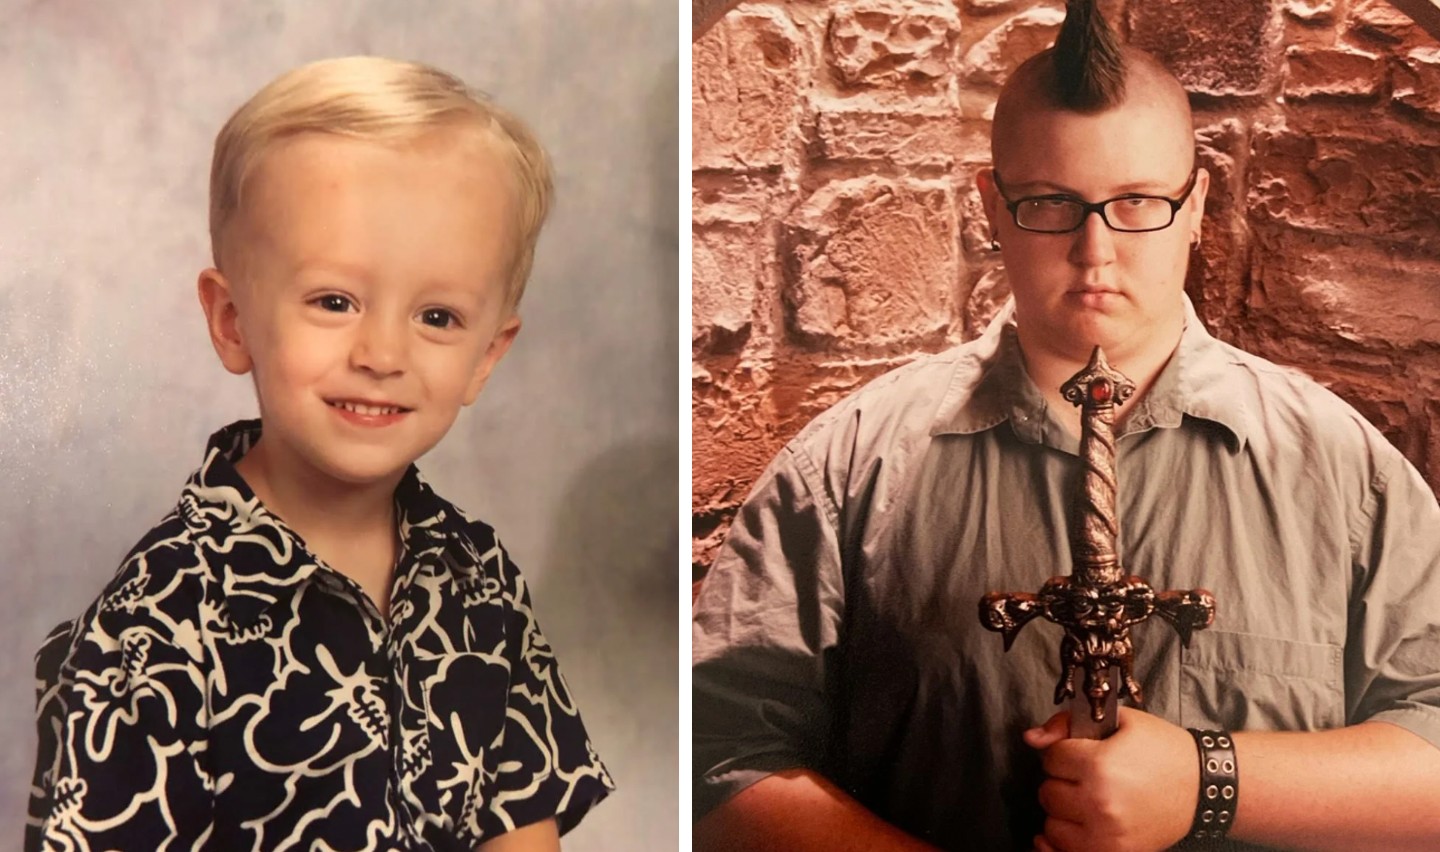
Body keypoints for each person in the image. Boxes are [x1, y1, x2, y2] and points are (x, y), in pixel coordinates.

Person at [691, 3, 1440, 851]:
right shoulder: (846, 471)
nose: (1096, 251)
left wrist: (1208, 782)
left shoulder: (1344, 475)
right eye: (1051, 202)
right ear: (992, 207)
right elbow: (716, 756)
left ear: (1196, 204)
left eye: (1138, 202)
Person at [28, 56, 613, 851]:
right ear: (233, 321)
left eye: (438, 316)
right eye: (335, 301)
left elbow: (518, 820)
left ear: (486, 355)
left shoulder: (480, 581)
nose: (382, 352)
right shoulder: (155, 631)